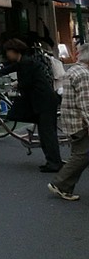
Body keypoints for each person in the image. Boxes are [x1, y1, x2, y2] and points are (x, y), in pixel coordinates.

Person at [0, 38, 63, 172]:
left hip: (44, 102)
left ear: (15, 51)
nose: (7, 54)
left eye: (8, 51)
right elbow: (12, 68)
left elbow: (26, 83)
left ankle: (55, 163)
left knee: (47, 134)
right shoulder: (24, 61)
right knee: (45, 133)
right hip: (43, 101)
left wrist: (15, 85)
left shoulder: (26, 63)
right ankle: (52, 161)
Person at [49, 43, 89, 201]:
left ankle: (65, 187)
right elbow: (85, 104)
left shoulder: (73, 70)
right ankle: (60, 184)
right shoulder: (84, 75)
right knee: (82, 155)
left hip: (71, 120)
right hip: (80, 122)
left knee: (80, 154)